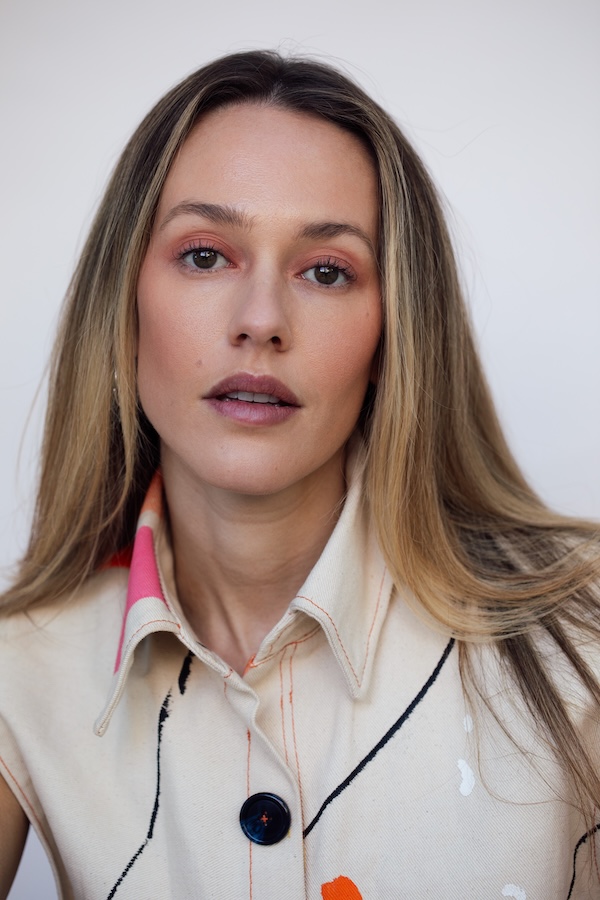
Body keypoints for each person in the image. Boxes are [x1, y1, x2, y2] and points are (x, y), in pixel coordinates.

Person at [0, 49, 599, 900]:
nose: (261, 321)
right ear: (122, 301)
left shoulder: (583, 631)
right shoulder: (21, 668)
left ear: (395, 329)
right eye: (205, 256)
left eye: (326, 271)